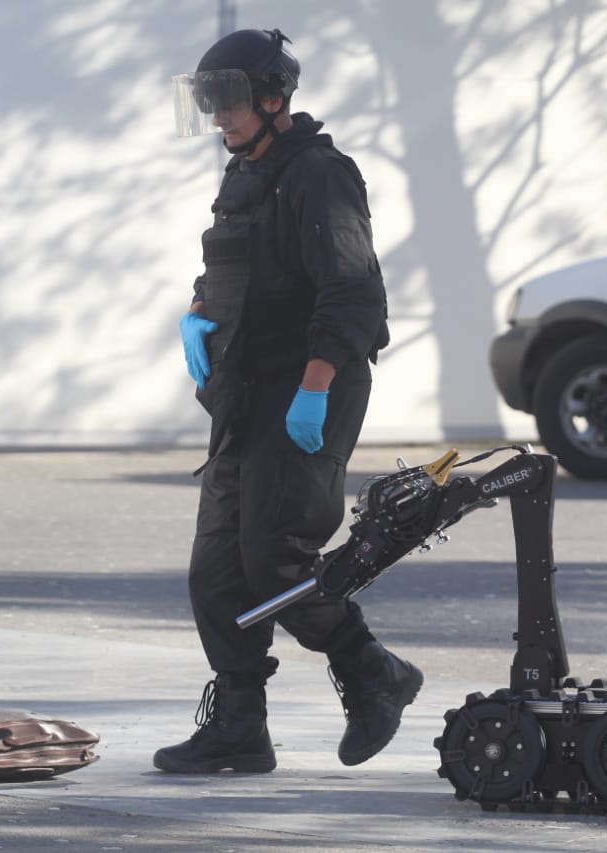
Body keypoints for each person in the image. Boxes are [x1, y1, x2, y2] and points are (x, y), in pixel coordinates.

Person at [156, 28, 420, 774]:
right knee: (215, 570)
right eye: (209, 102)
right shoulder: (246, 175)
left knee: (275, 559)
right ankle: (240, 725)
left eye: (229, 101)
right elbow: (234, 271)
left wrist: (313, 391)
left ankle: (374, 671)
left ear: (274, 97)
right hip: (245, 392)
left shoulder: (320, 176)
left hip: (309, 385)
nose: (219, 118)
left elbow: (352, 292)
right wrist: (199, 312)